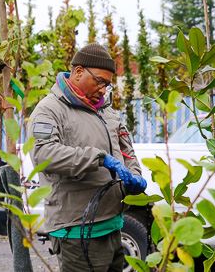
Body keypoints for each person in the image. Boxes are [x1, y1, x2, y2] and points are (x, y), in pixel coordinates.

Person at [28, 43, 147, 272]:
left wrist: (134, 176)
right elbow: (43, 153)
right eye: (100, 81)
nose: (104, 89)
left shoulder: (107, 111)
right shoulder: (50, 110)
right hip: (76, 231)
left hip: (113, 226)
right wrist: (98, 158)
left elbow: (126, 151)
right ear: (79, 71)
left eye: (108, 84)